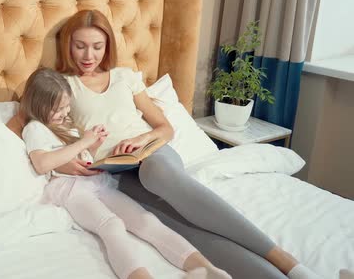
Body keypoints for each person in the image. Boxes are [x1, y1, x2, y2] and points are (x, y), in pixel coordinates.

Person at [6, 9, 320, 279]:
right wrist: (61, 161)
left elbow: (165, 127)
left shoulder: (125, 77)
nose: (89, 56)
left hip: (153, 157)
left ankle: (285, 260)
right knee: (182, 226)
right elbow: (20, 125)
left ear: (108, 46)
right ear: (67, 45)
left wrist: (142, 139)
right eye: (80, 46)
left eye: (98, 47)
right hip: (115, 175)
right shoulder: (59, 85)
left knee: (159, 176)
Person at [19, 67, 230, 279]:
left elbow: (83, 158)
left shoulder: (67, 126)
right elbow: (42, 163)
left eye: (66, 107)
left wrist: (94, 145)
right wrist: (84, 141)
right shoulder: (35, 128)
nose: (65, 113)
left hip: (96, 181)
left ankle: (205, 269)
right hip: (69, 190)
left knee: (146, 220)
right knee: (111, 225)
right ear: (39, 104)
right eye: (59, 109)